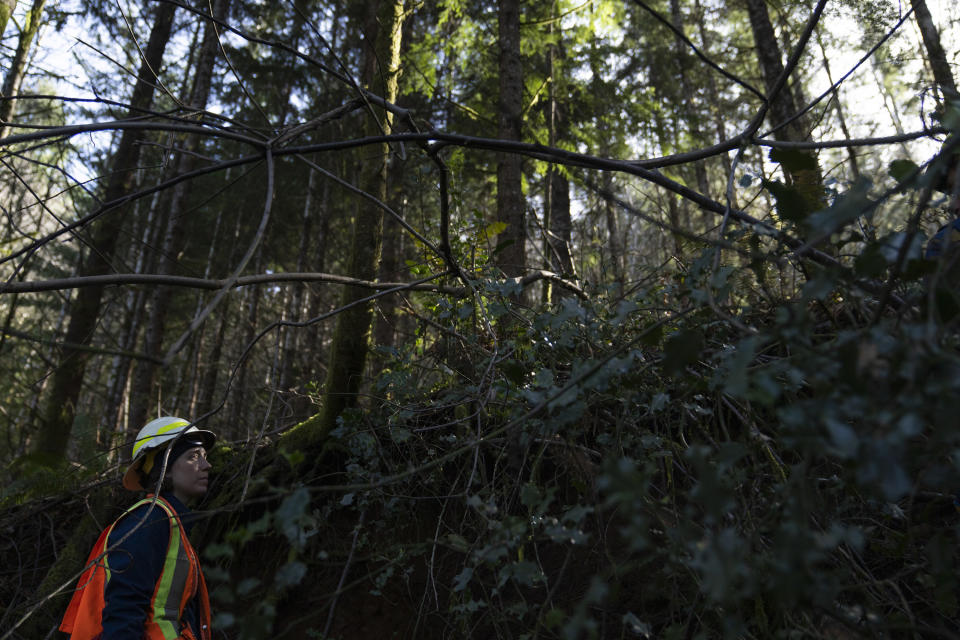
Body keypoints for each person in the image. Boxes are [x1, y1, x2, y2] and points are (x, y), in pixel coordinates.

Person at [60, 417, 216, 640]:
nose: (206, 465)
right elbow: (123, 611)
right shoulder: (149, 521)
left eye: (204, 457)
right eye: (193, 456)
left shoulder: (171, 523)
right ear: (166, 468)